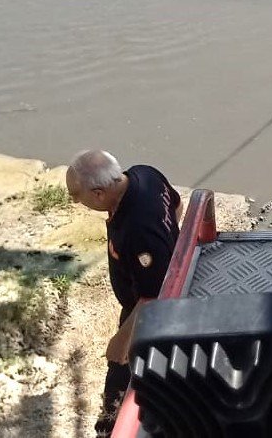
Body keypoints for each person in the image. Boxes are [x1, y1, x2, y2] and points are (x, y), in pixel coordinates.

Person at [66, 150, 182, 437]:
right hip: (149, 294)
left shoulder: (137, 228)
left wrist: (122, 340)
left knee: (119, 385)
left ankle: (110, 429)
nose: (76, 202)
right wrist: (170, 245)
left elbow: (152, 296)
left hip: (147, 312)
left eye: (77, 196)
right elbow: (176, 205)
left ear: (98, 193)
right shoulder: (145, 174)